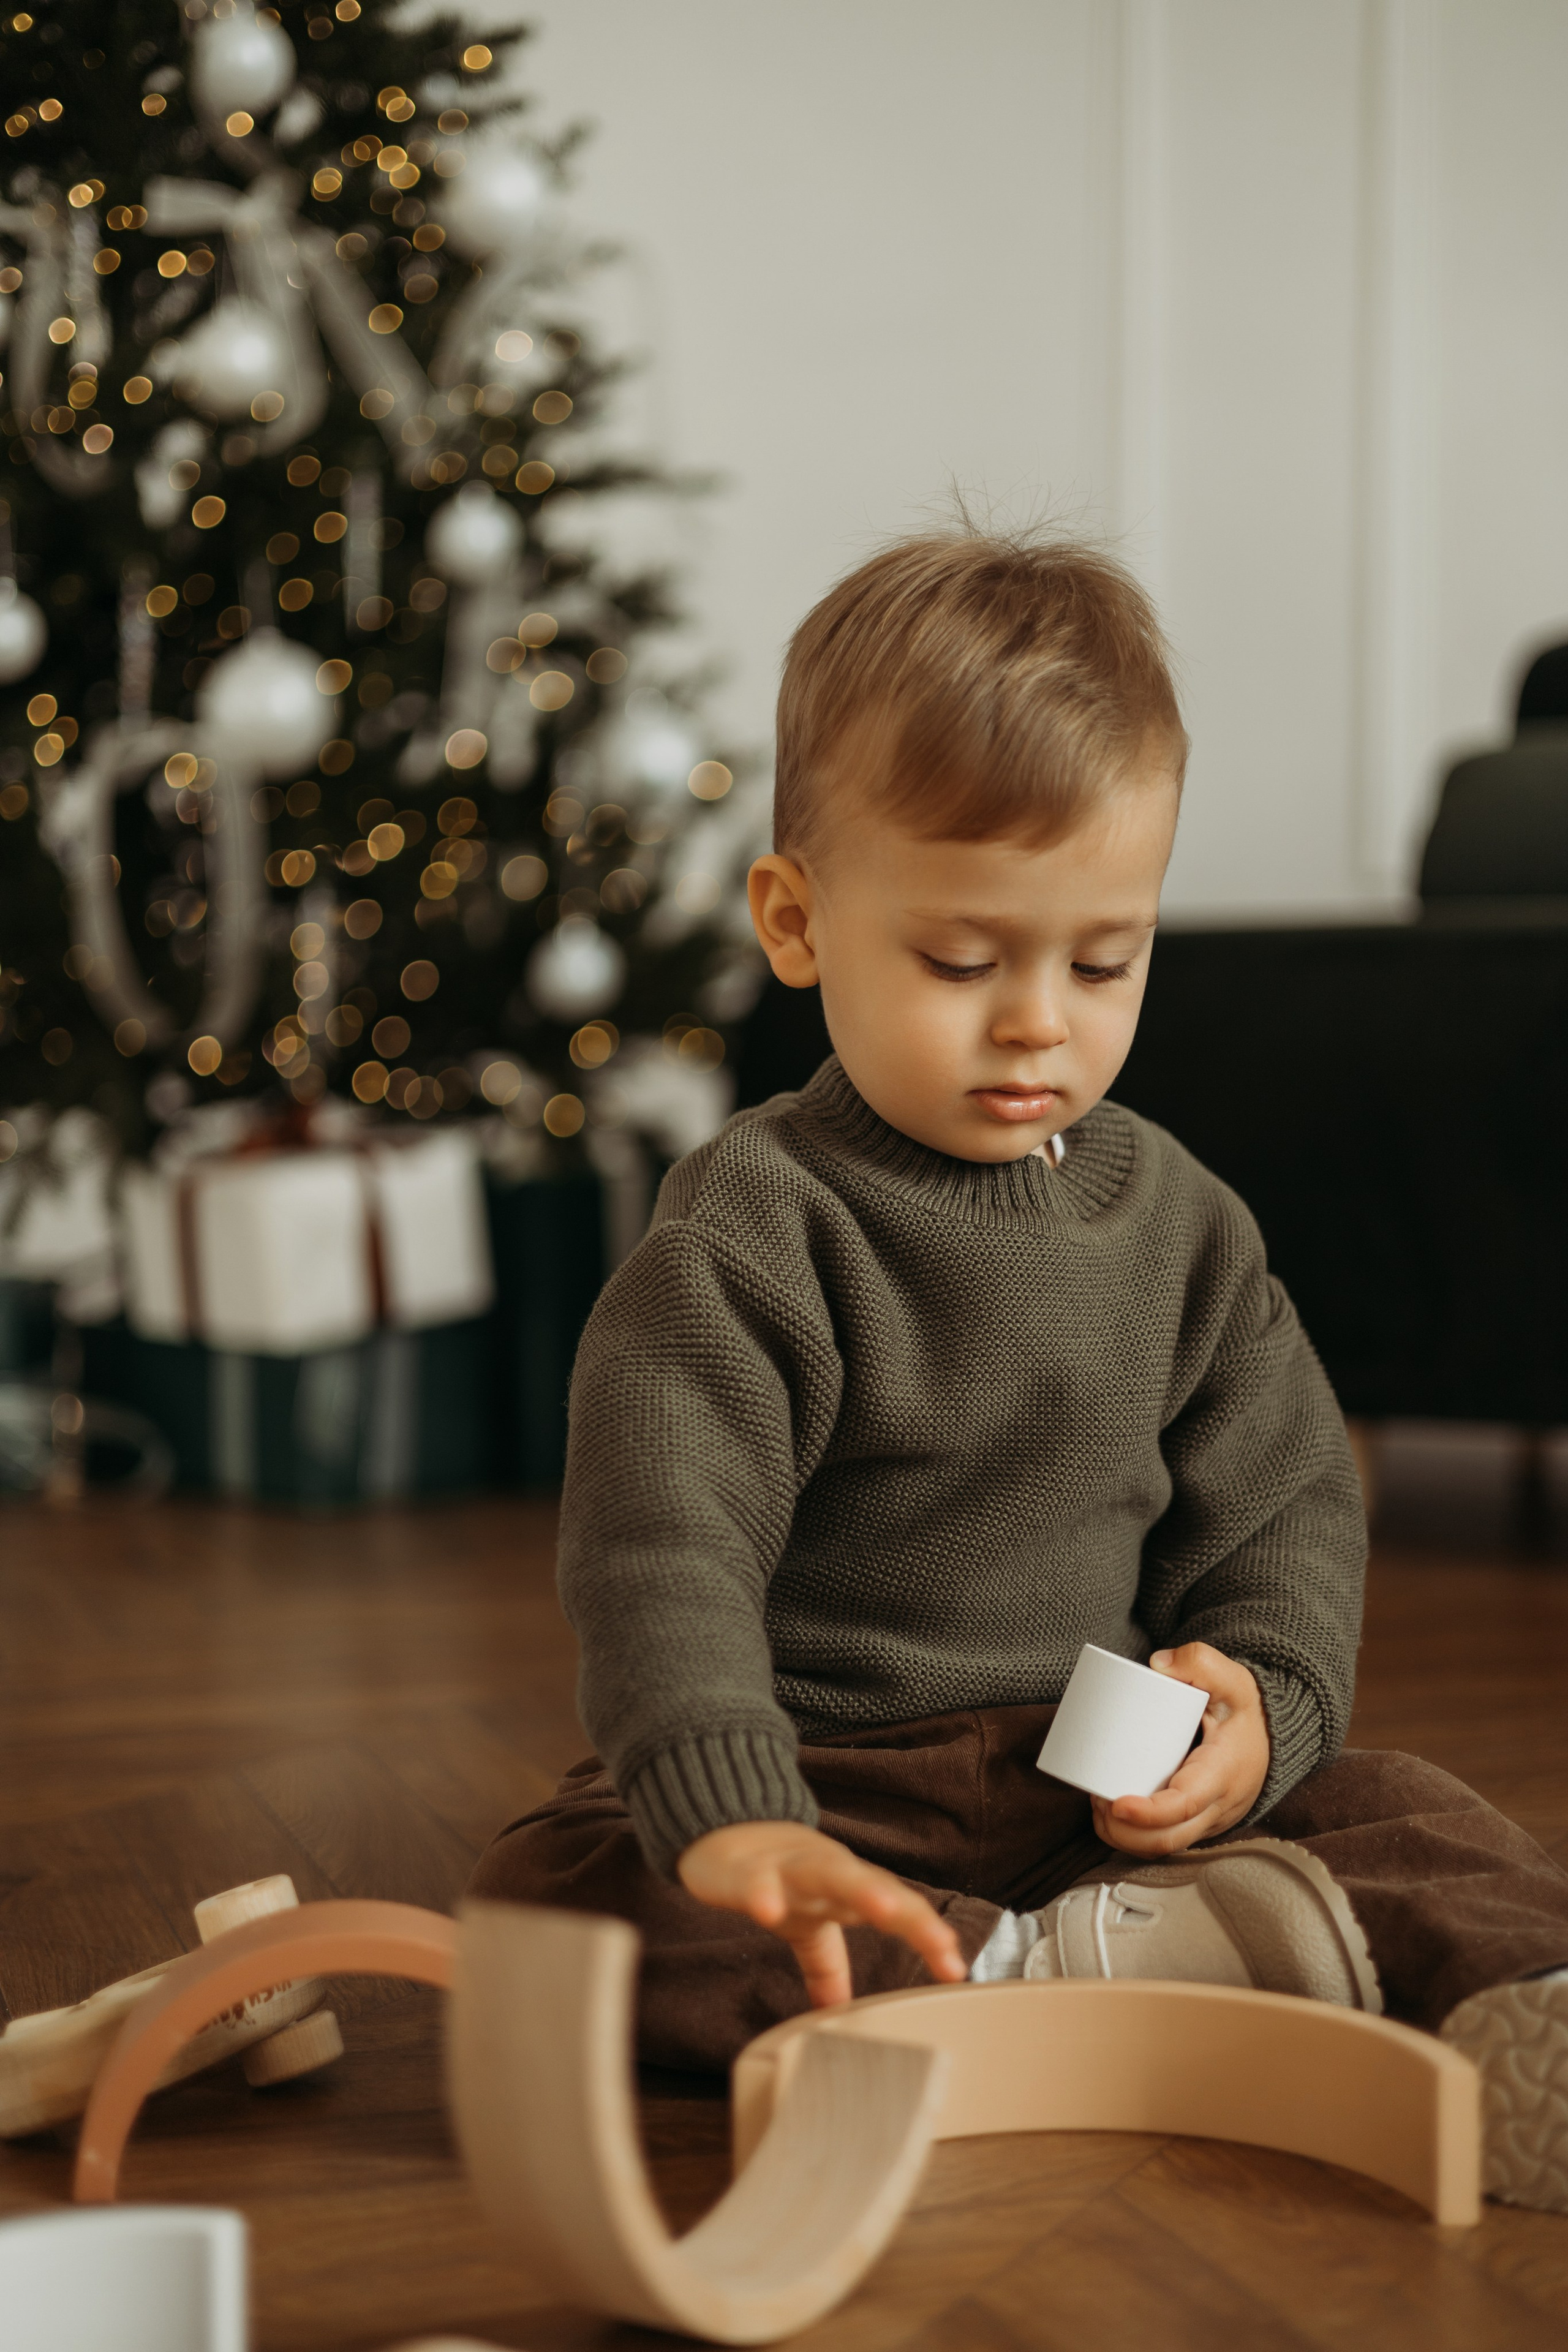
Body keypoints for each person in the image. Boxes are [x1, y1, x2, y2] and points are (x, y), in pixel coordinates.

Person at [470, 530, 1568, 2211]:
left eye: (1103, 961)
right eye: (964, 963)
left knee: (1423, 1817)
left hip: (1097, 1774)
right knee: (568, 1899)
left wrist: (1259, 1706)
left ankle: (1509, 2010)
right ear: (798, 921)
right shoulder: (751, 1235)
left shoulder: (1182, 1221)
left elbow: (1282, 1500)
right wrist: (738, 1811)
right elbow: (661, 1552)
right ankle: (1047, 1972)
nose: (1038, 1022)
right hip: (834, 1782)